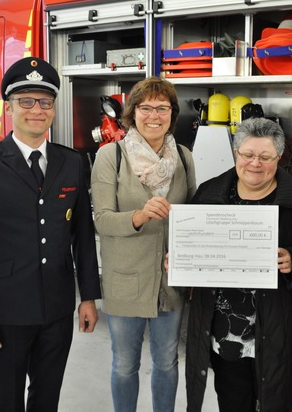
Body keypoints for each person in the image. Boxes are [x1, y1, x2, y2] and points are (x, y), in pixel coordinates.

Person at [0, 57, 102, 412]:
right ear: (9, 107)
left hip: (58, 308)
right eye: (26, 101)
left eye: (45, 102)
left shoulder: (72, 161)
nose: (37, 110)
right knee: (5, 401)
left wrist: (89, 297)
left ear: (53, 109)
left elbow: (82, 233)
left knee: (47, 399)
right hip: (5, 310)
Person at [184, 117, 292, 412]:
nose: (255, 163)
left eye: (266, 157)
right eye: (248, 154)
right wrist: (179, 260)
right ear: (235, 152)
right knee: (232, 402)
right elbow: (190, 243)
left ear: (278, 158)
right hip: (226, 336)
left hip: (278, 334)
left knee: (275, 404)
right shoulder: (209, 194)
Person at [91, 76, 196, 412]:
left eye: (162, 108)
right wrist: (137, 216)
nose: (154, 115)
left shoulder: (183, 156)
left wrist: (189, 255)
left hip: (169, 282)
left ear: (172, 114)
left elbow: (192, 219)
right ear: (132, 113)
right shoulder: (111, 156)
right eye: (146, 107)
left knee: (166, 362)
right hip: (125, 280)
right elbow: (101, 219)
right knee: (125, 364)